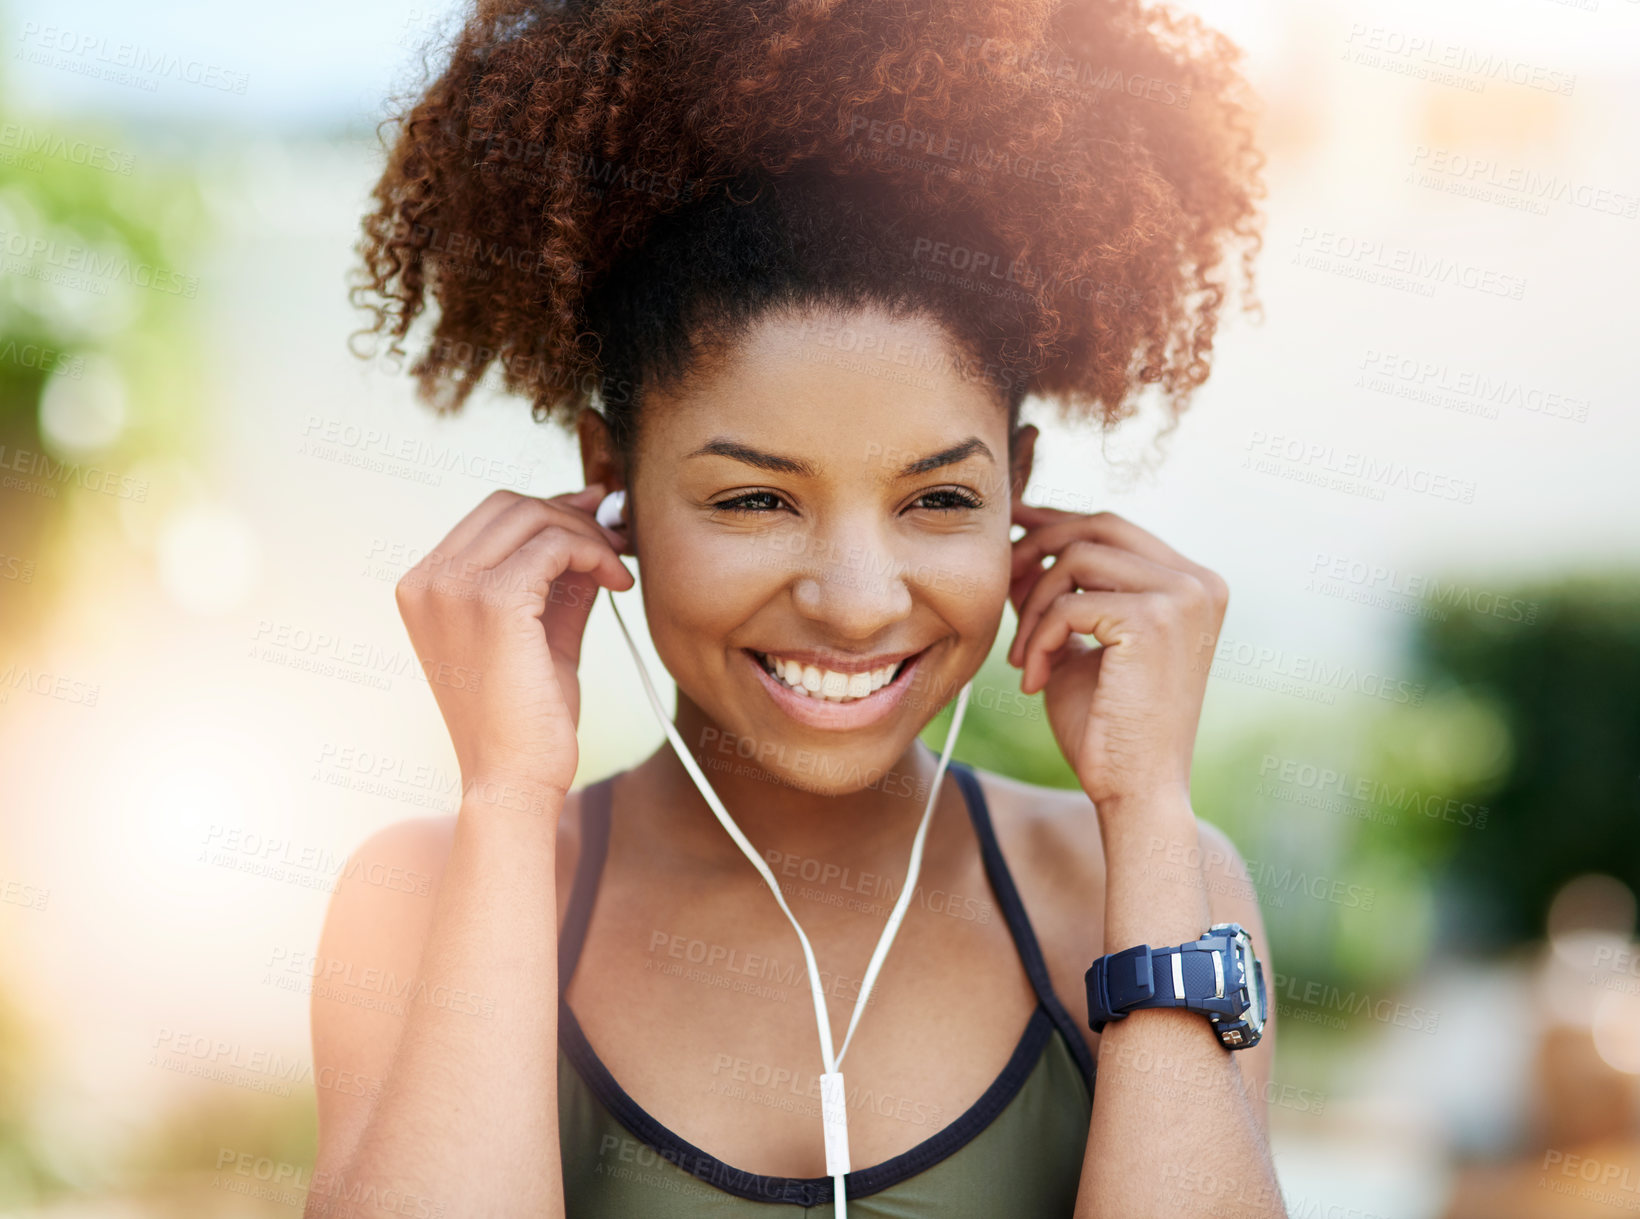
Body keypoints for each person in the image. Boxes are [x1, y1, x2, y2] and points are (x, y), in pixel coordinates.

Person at [310, 0, 1278, 1214]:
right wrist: (507, 800)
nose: (858, 603)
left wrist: (1144, 809)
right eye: (757, 499)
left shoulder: (1149, 882)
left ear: (1018, 493)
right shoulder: (421, 894)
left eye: (936, 499)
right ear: (608, 476)